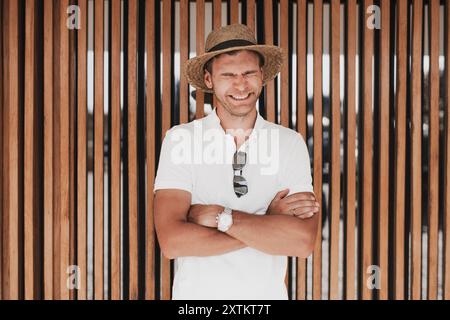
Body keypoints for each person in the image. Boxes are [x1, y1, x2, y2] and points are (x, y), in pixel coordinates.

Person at [153, 24, 319, 300]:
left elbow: (301, 242)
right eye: (228, 75)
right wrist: (267, 223)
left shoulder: (289, 143)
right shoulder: (180, 139)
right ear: (209, 80)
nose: (240, 85)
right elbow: (172, 242)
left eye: (248, 73)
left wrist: (221, 217)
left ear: (262, 76)